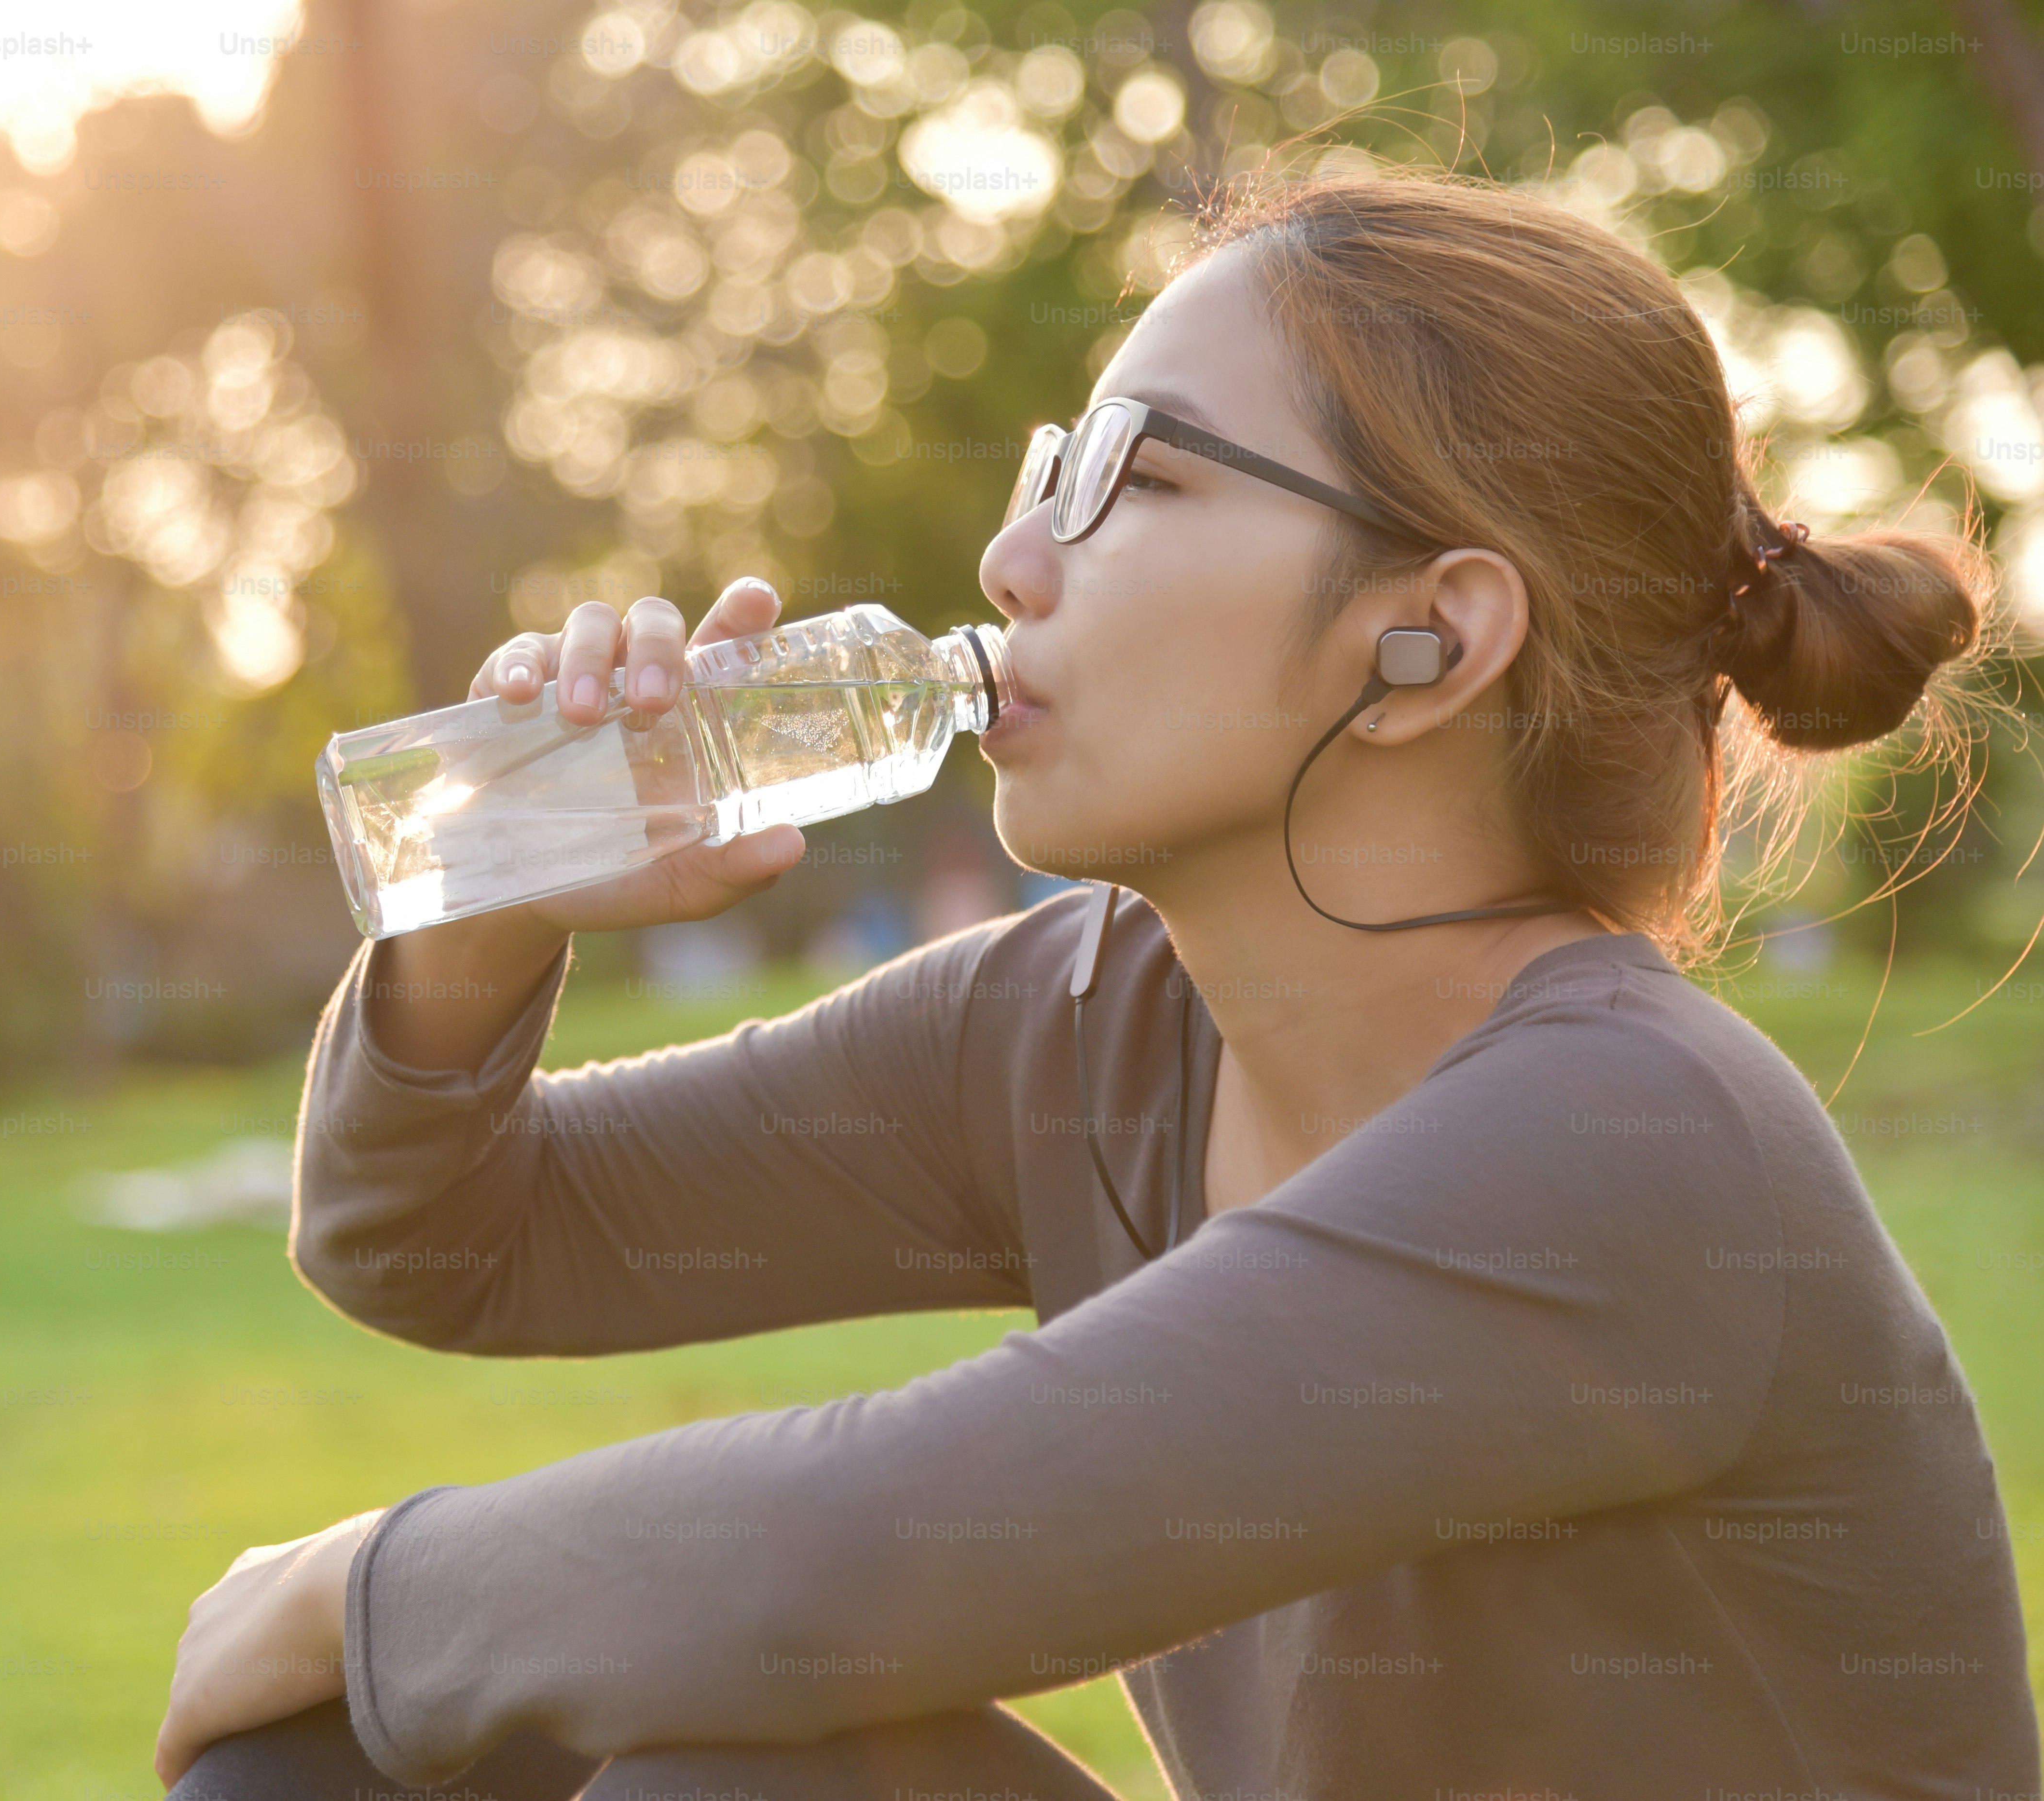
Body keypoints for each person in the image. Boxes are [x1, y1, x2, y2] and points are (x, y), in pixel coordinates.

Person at [152, 171, 2039, 1798]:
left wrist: (354, 1585)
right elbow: (443, 1240)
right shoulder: (1079, 1025)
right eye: (1056, 467)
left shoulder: (1630, 1141)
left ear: (1429, 636)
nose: (1010, 556)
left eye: (1134, 476)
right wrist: (490, 900)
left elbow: (858, 1554)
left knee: (518, 1682)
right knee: (677, 1754)